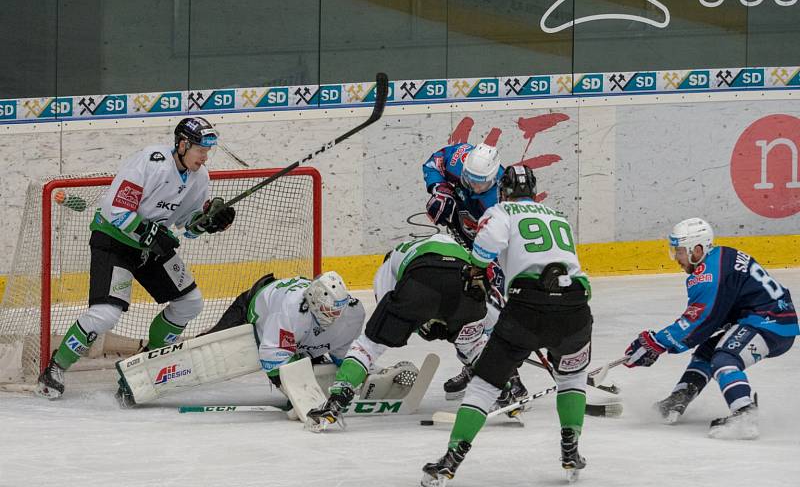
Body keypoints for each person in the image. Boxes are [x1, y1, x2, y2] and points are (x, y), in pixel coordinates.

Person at [37, 117, 236, 399]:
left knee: (190, 302)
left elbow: (186, 226)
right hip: (114, 241)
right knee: (107, 314)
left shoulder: (199, 177)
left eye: (207, 151)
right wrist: (150, 230)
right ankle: (55, 368)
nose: (204, 157)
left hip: (149, 246)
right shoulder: (151, 161)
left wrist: (206, 223)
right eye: (200, 150)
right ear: (182, 144)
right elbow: (117, 211)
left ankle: (145, 365)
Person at [420, 165, 594, 487]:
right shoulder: (557, 215)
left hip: (527, 306)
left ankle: (451, 461)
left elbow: (486, 248)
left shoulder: (501, 211)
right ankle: (571, 451)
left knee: (485, 385)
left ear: (503, 190)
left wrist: (475, 272)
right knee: (572, 378)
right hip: (575, 305)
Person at [305, 233, 529, 432]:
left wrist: (419, 323)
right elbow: (484, 315)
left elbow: (390, 306)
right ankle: (506, 388)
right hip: (466, 281)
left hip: (422, 277)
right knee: (474, 346)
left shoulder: (390, 262)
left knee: (369, 345)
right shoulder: (456, 247)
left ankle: (336, 400)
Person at [623, 218, 798, 439]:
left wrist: (656, 343)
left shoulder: (708, 274)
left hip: (769, 323)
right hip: (769, 318)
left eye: (679, 251)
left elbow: (698, 321)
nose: (676, 258)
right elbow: (711, 320)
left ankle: (745, 414)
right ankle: (678, 398)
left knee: (725, 359)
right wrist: (659, 344)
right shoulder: (720, 256)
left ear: (697, 250)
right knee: (706, 352)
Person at [422, 138, 517, 397]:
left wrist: (487, 268)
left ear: (494, 179)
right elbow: (434, 162)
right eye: (469, 179)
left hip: (489, 255)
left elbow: (504, 243)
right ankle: (474, 363)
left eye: (480, 183)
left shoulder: (502, 198)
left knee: (490, 314)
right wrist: (440, 189)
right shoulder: (460, 157)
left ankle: (509, 376)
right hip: (462, 244)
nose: (474, 186)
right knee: (465, 311)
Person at [202, 271, 365, 386]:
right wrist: (296, 390)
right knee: (209, 347)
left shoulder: (352, 312)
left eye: (337, 310)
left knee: (303, 353)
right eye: (329, 310)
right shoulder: (290, 309)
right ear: (314, 302)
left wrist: (355, 368)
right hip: (252, 307)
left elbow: (343, 350)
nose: (334, 315)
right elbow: (271, 358)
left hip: (295, 328)